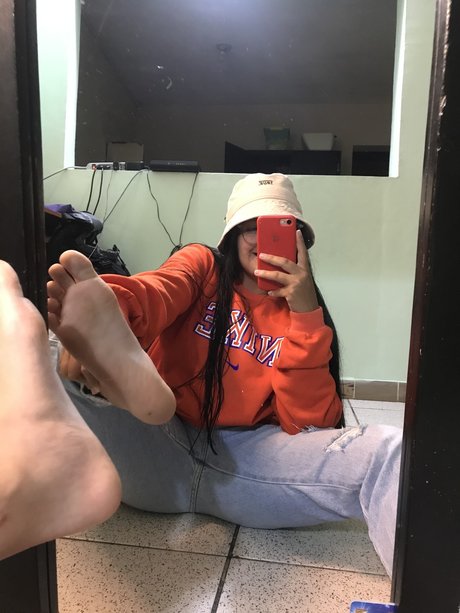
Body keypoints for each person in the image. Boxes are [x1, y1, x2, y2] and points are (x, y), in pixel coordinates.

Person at [48, 173, 402, 577]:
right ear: (231, 235)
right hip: (156, 445)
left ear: (300, 241)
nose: (262, 240)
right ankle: (101, 378)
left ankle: (427, 593)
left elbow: (309, 428)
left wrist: (305, 315)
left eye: (279, 228)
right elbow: (157, 290)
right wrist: (115, 310)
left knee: (389, 450)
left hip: (248, 471)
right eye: (251, 227)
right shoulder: (203, 266)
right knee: (47, 347)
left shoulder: (304, 315)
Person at [0, 259, 122, 562]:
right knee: (59, 358)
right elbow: (162, 286)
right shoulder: (202, 263)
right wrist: (130, 308)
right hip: (162, 441)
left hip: (233, 459)